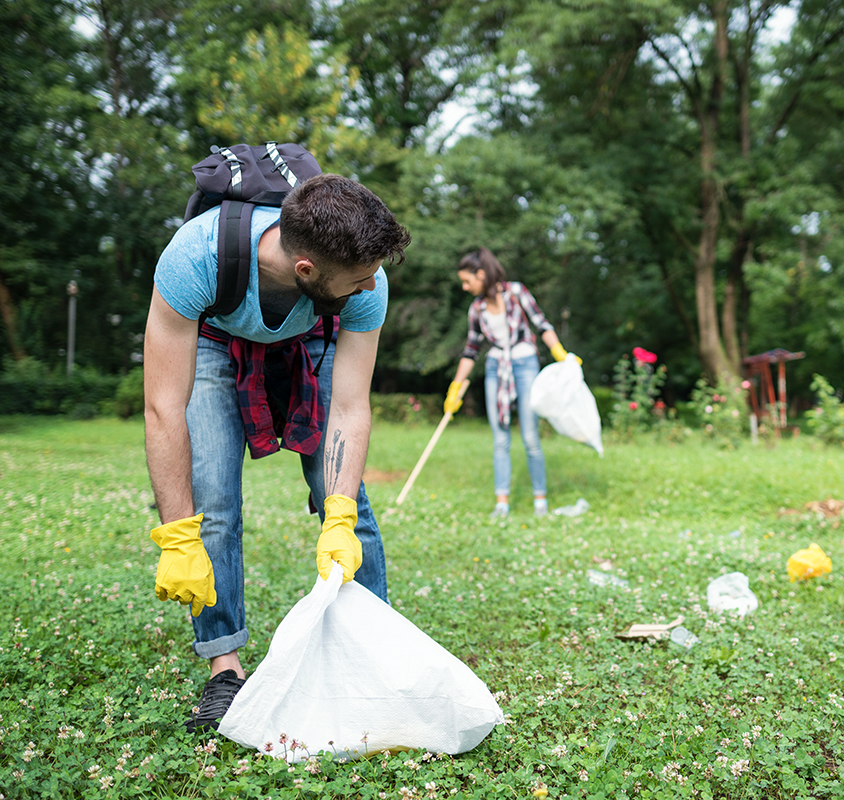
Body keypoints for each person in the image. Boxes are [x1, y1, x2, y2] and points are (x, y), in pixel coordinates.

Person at [143, 174, 412, 732]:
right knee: (212, 503)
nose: (372, 286)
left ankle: (373, 656)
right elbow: (164, 407)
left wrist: (334, 512)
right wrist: (175, 533)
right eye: (360, 280)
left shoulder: (366, 284)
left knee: (348, 505)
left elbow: (350, 407)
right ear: (306, 269)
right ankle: (225, 669)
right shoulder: (196, 258)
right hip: (216, 341)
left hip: (312, 337)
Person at [444, 247, 576, 518]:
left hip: (526, 363)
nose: (465, 286)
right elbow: (471, 350)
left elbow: (541, 323)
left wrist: (560, 354)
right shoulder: (477, 308)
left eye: (467, 280)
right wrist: (456, 387)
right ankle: (502, 503)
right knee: (500, 439)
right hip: (496, 367)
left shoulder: (517, 292)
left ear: (481, 274)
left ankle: (540, 500)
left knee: (530, 437)